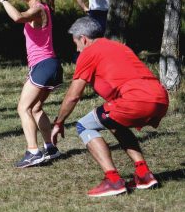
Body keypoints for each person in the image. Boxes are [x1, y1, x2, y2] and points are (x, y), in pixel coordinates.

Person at [51, 17, 169, 197]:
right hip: (160, 97)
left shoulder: (88, 53)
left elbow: (73, 95)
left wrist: (59, 122)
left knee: (84, 125)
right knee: (113, 122)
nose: (76, 49)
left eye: (76, 43)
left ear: (83, 39)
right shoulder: (118, 46)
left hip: (136, 100)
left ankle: (113, 180)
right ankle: (144, 175)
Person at [0, 0, 63, 168]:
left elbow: (17, 17)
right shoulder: (40, 8)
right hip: (49, 65)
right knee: (36, 108)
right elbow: (27, 11)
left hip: (44, 65)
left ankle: (33, 152)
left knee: (23, 108)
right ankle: (51, 148)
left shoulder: (38, 9)